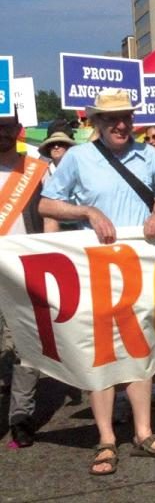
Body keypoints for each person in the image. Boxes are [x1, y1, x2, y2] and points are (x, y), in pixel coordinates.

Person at [38, 89, 155, 475]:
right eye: (111, 119)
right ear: (96, 123)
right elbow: (47, 203)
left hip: (138, 267)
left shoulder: (149, 154)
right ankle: (105, 439)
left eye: (126, 118)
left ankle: (144, 432)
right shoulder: (78, 158)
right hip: (95, 268)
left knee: (139, 350)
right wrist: (86, 210)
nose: (121, 125)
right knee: (101, 352)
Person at [0, 111, 48, 448]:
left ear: (18, 130)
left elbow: (51, 213)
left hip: (24, 267)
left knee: (26, 347)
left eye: (6, 127)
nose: (1, 133)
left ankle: (21, 416)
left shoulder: (36, 169)